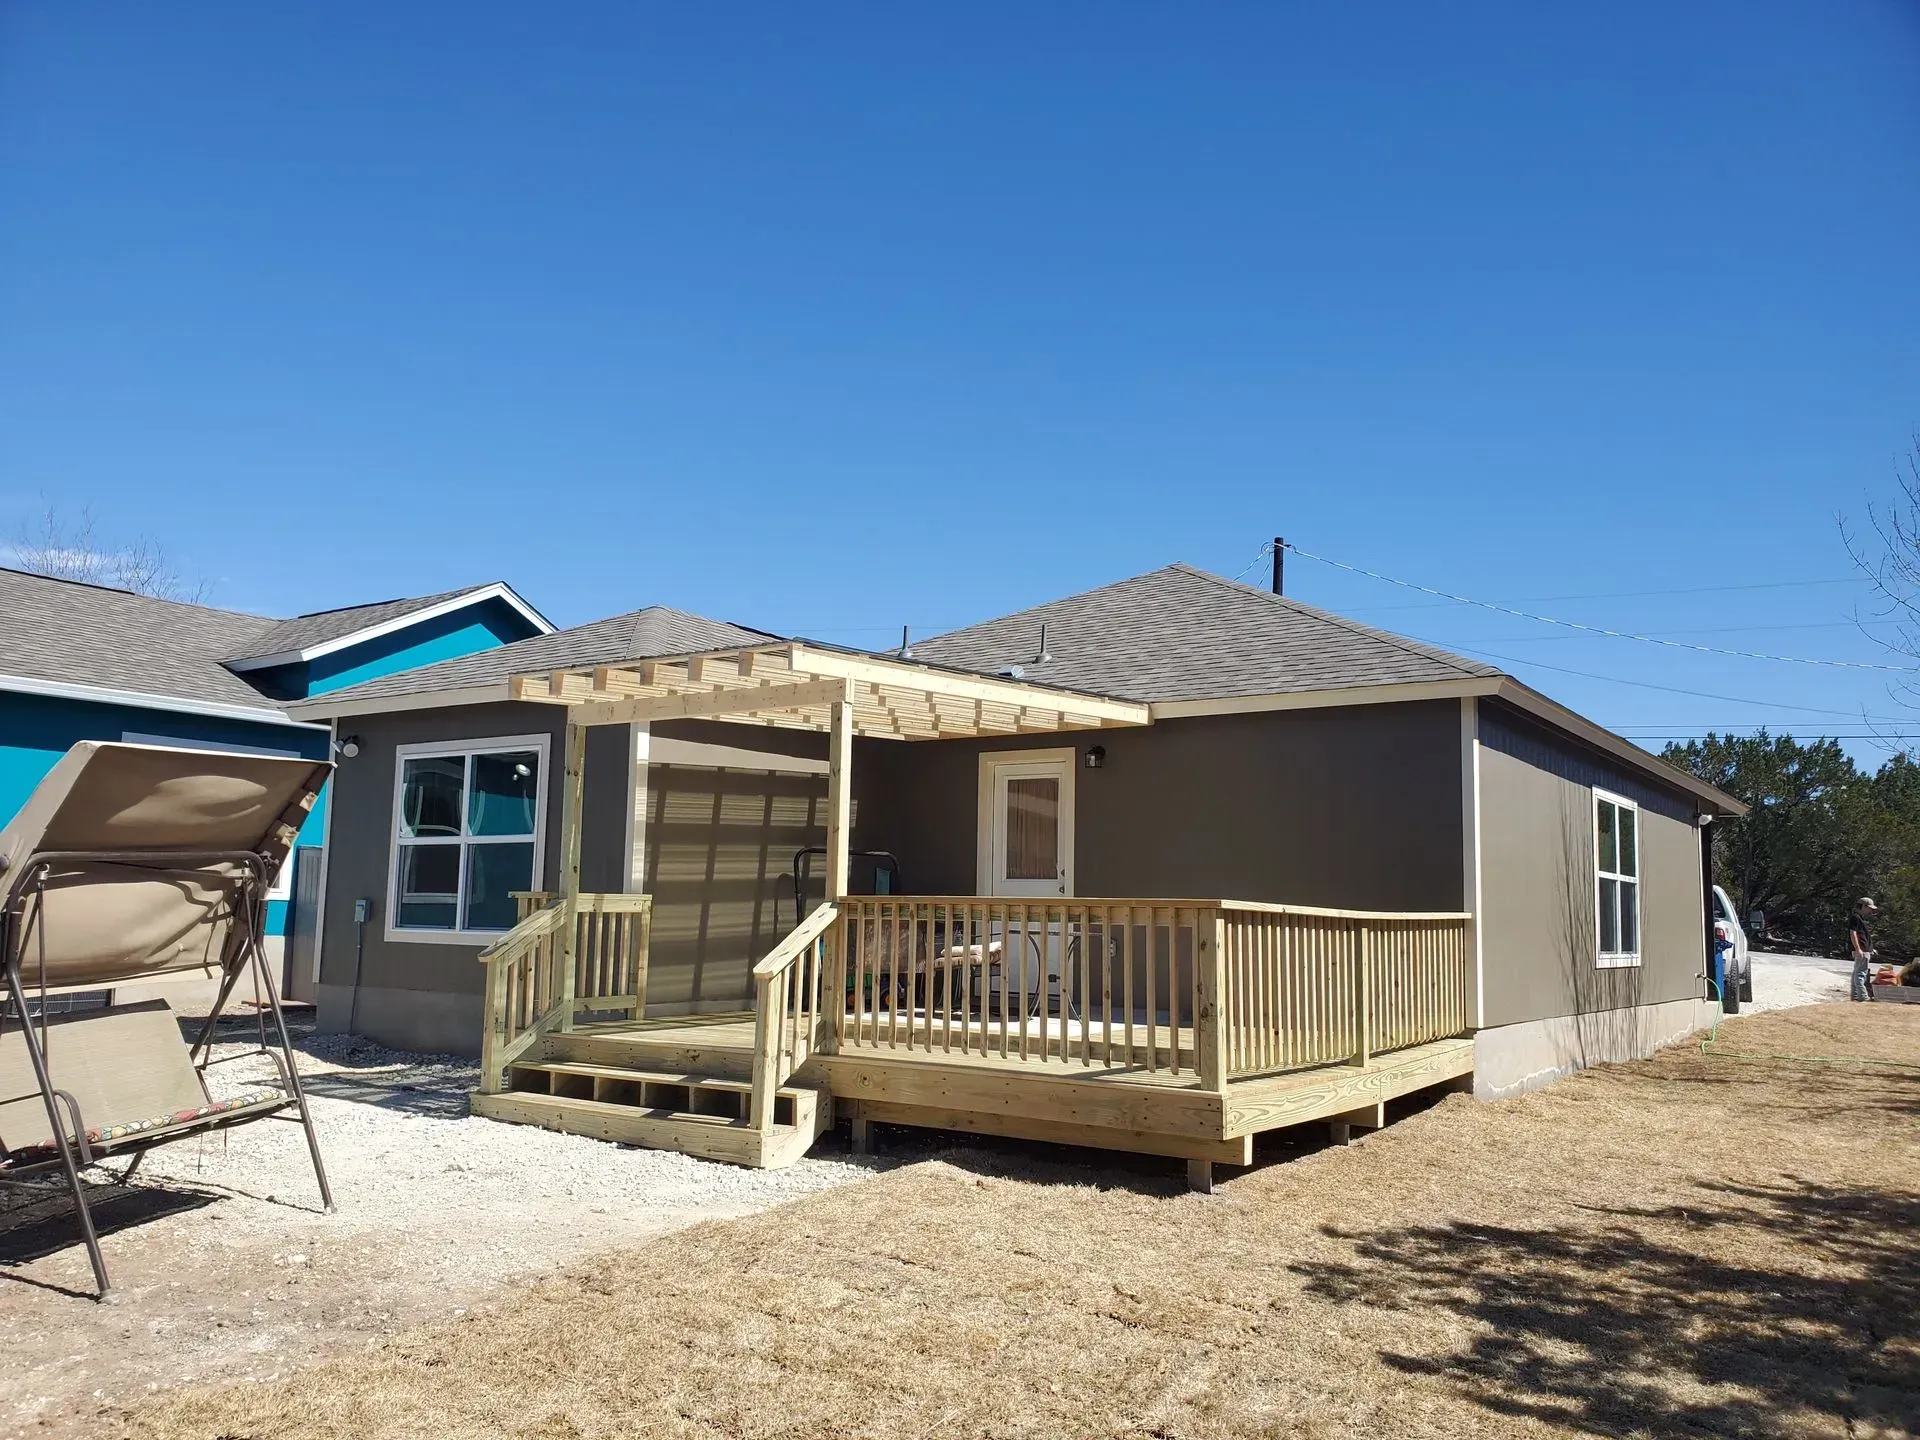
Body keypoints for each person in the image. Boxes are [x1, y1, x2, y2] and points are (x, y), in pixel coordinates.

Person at [1849, 897, 1878, 1002]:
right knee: (1861, 973)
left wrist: (1871, 949)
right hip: (1861, 950)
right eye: (1870, 908)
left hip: (1864, 950)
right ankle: (1863, 997)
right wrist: (1858, 949)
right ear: (1863, 906)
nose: (1871, 911)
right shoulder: (1856, 917)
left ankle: (1855, 996)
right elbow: (1853, 933)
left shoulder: (1860, 918)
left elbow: (1864, 936)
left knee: (1856, 972)